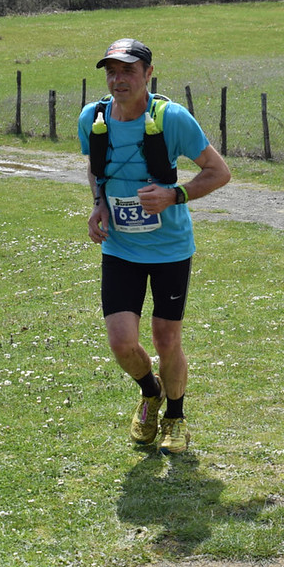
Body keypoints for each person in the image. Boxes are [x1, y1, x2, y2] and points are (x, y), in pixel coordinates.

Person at [79, 38, 231, 454]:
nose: (118, 79)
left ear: (148, 74)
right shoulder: (93, 118)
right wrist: (98, 204)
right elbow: (94, 167)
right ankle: (151, 391)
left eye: (128, 70)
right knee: (121, 343)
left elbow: (219, 172)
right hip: (120, 248)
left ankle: (175, 418)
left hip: (169, 249)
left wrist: (174, 195)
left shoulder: (172, 119)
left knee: (166, 340)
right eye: (112, 71)